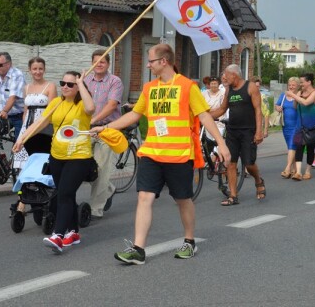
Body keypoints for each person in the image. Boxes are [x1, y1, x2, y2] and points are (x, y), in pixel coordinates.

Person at [91, 44, 229, 264]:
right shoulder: (149, 88)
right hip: (151, 153)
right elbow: (135, 115)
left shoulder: (187, 86)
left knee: (182, 200)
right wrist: (106, 128)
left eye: (151, 61)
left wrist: (222, 144)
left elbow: (204, 116)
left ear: (164, 61)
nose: (148, 65)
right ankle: (138, 249)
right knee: (144, 197)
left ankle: (189, 241)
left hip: (179, 155)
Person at [13, 70, 95, 253]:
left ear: (78, 87)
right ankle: (73, 232)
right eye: (62, 83)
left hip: (79, 157)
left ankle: (58, 235)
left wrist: (81, 83)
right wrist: (22, 139)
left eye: (70, 84)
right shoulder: (57, 103)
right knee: (67, 194)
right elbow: (40, 123)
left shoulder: (82, 104)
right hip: (57, 156)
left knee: (64, 193)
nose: (65, 87)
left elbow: (91, 108)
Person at [210, 64, 266, 205]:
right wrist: (204, 116)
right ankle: (233, 196)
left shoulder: (250, 87)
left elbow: (258, 110)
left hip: (248, 131)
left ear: (234, 75)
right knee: (230, 163)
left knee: (249, 164)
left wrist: (259, 131)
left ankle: (258, 180)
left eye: (226, 75)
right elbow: (222, 109)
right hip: (233, 131)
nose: (224, 77)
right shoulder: (229, 90)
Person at [84, 50, 124, 218]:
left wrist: (95, 121)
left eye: (102, 61)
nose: (99, 64)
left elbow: (112, 105)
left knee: (100, 169)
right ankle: (108, 189)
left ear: (108, 64)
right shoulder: (85, 80)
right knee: (84, 168)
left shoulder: (115, 81)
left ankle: (95, 209)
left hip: (107, 129)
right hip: (86, 129)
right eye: (96, 61)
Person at [13, 57, 57, 169]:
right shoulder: (26, 88)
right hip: (27, 124)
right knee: (22, 153)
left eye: (40, 69)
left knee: (40, 154)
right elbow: (25, 111)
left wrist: (39, 124)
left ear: (44, 70)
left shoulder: (50, 86)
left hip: (43, 126)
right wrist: (24, 127)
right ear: (29, 70)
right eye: (35, 69)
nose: (38, 72)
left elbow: (51, 110)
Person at [286, 73, 315, 180]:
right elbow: (295, 106)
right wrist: (296, 96)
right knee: (299, 147)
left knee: (310, 148)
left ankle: (308, 171)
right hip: (300, 124)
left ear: (309, 82)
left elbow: (306, 103)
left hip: (312, 124)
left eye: (302, 82)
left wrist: (293, 95)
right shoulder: (299, 92)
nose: (300, 84)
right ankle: (298, 172)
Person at [276, 77, 300, 178]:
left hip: (297, 125)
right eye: (289, 85)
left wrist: (294, 96)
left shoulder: (299, 95)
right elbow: (277, 105)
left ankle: (288, 168)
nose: (291, 87)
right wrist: (278, 108)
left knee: (292, 145)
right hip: (286, 126)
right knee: (291, 148)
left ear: (298, 86)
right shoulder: (283, 95)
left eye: (293, 85)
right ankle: (294, 169)